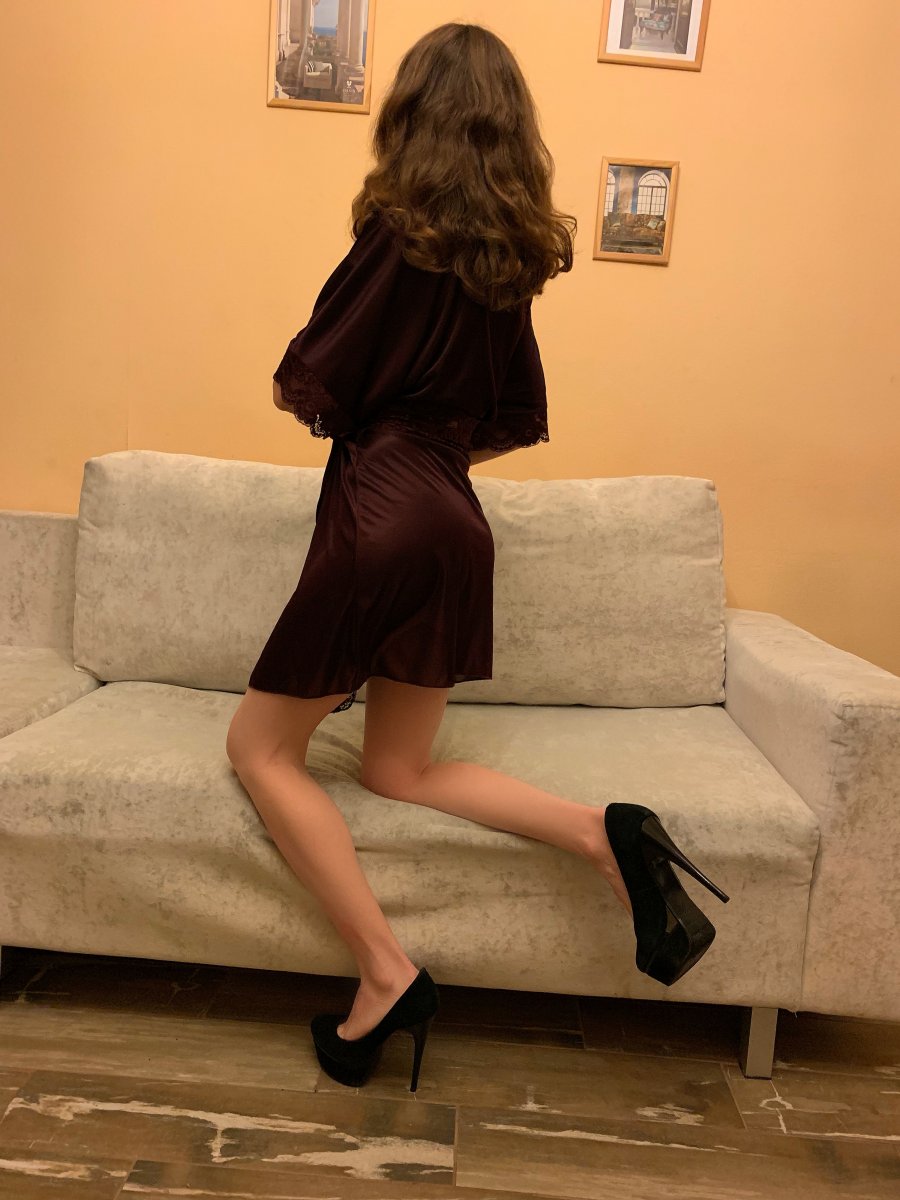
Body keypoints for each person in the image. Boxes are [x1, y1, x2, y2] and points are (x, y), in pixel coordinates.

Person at [225, 21, 728, 1094]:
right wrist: (428, 445)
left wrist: (376, 427)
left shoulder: (396, 235)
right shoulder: (509, 264)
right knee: (399, 770)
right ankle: (604, 833)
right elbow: (512, 419)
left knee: (260, 752)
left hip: (382, 511)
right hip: (457, 520)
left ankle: (386, 972)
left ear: (413, 116)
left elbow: (304, 380)